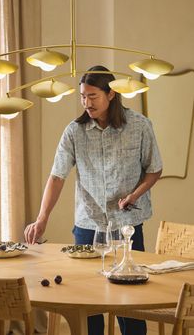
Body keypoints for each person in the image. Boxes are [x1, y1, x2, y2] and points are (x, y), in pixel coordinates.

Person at [24, 65, 162, 335]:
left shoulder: (140, 125)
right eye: (83, 97)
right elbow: (57, 177)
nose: (87, 103)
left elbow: (154, 169)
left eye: (93, 96)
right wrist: (42, 219)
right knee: (89, 305)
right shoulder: (74, 132)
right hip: (88, 227)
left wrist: (134, 195)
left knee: (130, 306)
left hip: (127, 226)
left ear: (111, 94)